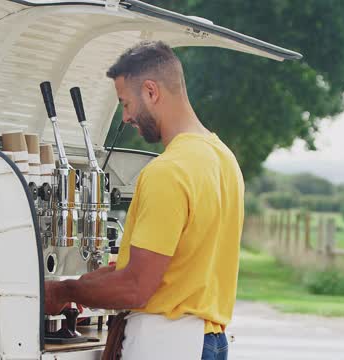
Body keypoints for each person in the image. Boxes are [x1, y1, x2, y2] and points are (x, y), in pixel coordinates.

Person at [44, 41, 244, 360]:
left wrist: (63, 291)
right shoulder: (223, 159)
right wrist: (89, 282)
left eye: (125, 103)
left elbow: (137, 286)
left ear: (151, 91)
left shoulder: (168, 170)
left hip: (168, 344)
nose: (125, 118)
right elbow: (171, 268)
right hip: (208, 341)